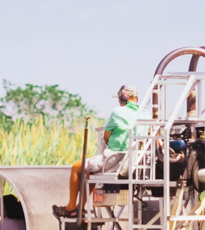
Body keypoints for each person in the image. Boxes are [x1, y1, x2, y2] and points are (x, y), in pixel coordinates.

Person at [54, 85, 141, 217]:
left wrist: (108, 144)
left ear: (124, 97)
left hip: (116, 157)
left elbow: (106, 136)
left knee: (77, 166)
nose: (118, 101)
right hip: (135, 160)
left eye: (119, 99)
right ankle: (79, 208)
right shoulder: (144, 113)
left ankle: (71, 206)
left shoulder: (118, 112)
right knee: (89, 171)